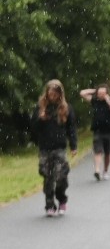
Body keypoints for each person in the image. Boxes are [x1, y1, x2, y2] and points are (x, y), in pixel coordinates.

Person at [30, 79, 77, 216]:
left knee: (61, 176)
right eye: (51, 91)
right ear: (47, 92)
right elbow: (33, 127)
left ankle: (61, 199)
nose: (53, 94)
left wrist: (73, 145)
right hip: (45, 148)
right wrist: (40, 119)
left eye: (56, 91)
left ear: (60, 93)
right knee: (47, 176)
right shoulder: (40, 107)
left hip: (59, 148)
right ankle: (49, 204)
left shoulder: (66, 108)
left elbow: (71, 128)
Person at [80, 84, 110, 180]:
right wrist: (95, 90)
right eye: (99, 93)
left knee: (107, 153)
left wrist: (108, 101)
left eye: (103, 93)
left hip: (109, 131)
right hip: (97, 131)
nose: (101, 95)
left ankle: (105, 170)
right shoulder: (95, 101)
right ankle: (97, 170)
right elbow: (82, 93)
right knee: (98, 151)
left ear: (107, 94)